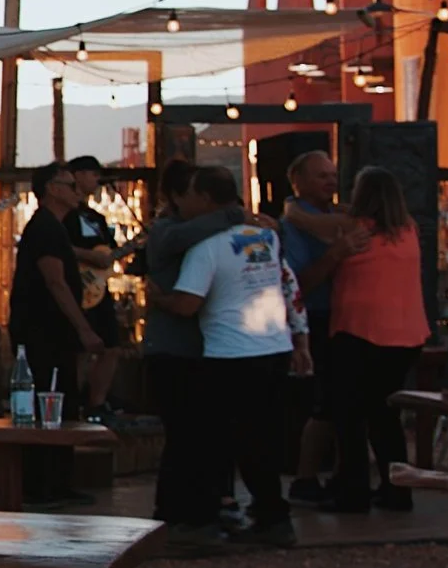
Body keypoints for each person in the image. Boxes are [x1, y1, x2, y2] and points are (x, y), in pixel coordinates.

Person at [160, 165, 311, 547]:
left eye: (192, 195)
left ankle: (205, 520)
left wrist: (158, 297)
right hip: (273, 345)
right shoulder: (267, 236)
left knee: (216, 441)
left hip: (229, 352)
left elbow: (187, 304)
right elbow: (289, 284)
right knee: (263, 438)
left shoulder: (206, 247)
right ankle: (272, 514)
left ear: (205, 199)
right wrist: (301, 339)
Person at [137, 160, 247, 535]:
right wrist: (234, 215)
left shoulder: (203, 232)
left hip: (200, 348)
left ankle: (204, 505)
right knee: (184, 434)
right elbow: (188, 235)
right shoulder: (167, 231)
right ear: (177, 197)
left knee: (201, 433)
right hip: (172, 350)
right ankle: (175, 511)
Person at [315, 165, 430, 512]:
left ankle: (353, 492)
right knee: (384, 415)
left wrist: (291, 208)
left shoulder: (354, 230)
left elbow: (306, 222)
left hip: (360, 332)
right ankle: (397, 490)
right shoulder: (408, 230)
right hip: (407, 335)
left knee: (350, 416)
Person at [8, 160, 98, 506]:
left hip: (52, 332)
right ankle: (41, 484)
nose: (77, 191)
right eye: (70, 185)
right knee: (46, 404)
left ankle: (58, 481)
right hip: (42, 333)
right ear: (52, 189)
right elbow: (55, 281)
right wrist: (83, 327)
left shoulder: (55, 228)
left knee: (61, 404)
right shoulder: (45, 228)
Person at [276, 151, 345, 504]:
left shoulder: (338, 216)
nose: (330, 181)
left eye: (332, 175)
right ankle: (305, 477)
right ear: (298, 182)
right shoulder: (291, 227)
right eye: (321, 176)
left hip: (345, 317)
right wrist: (334, 256)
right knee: (321, 402)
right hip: (315, 318)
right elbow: (297, 284)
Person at [63, 156, 123, 423]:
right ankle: (72, 402)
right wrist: (89, 257)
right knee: (79, 350)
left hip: (98, 289)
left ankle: (96, 403)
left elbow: (108, 253)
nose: (97, 179)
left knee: (111, 347)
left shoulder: (96, 218)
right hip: (76, 288)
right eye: (92, 173)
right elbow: (57, 246)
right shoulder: (63, 215)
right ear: (76, 175)